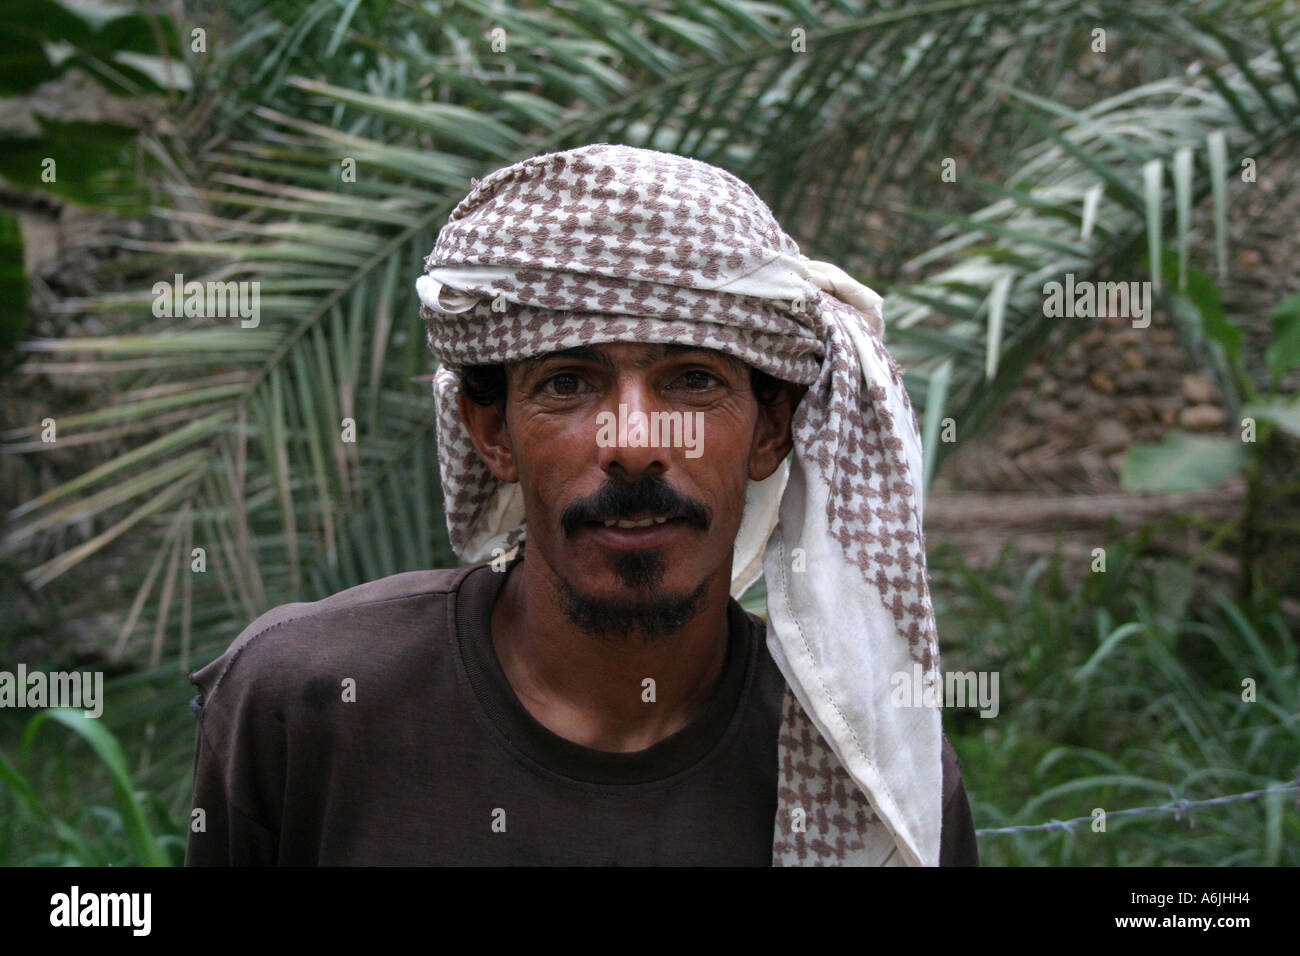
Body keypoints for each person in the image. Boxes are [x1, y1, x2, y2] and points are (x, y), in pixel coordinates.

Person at [185, 144, 979, 866]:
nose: (633, 441)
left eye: (693, 379)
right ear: (492, 433)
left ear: (772, 430)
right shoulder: (305, 701)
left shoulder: (873, 774)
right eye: (568, 383)